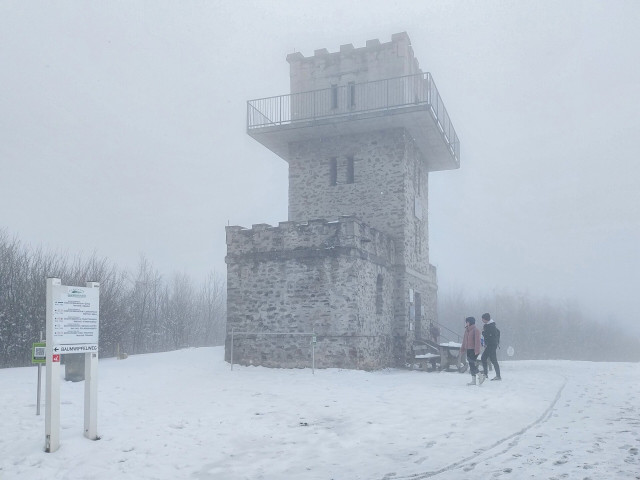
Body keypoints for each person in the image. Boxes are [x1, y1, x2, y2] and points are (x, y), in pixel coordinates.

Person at [479, 312, 501, 382]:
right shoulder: (490, 325)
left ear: (486, 319)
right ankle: (493, 375)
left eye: (482, 319)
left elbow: (488, 335)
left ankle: (491, 375)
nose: (482, 320)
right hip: (491, 345)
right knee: (491, 359)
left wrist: (483, 333)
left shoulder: (491, 326)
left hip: (492, 345)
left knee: (487, 358)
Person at [461, 316, 481, 385]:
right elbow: (464, 340)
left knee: (472, 364)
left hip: (473, 350)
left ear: (469, 322)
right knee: (471, 364)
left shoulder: (476, 330)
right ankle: (474, 380)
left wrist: (477, 351)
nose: (466, 323)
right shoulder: (467, 330)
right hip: (468, 350)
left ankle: (480, 376)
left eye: (467, 322)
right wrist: (463, 348)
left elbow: (477, 341)